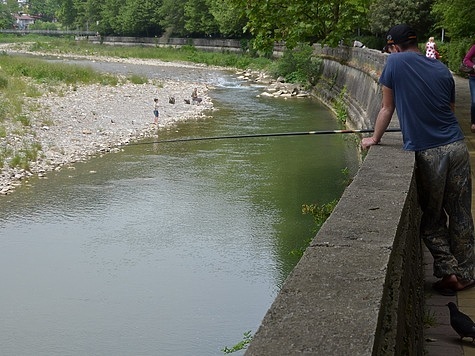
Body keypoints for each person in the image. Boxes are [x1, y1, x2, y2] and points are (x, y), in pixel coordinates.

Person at [361, 24, 475, 296]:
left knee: (433, 217)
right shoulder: (440, 68)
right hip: (457, 147)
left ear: (394, 47)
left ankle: (450, 273)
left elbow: (387, 107)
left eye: (390, 49)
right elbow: (447, 110)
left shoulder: (395, 62)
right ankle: (468, 274)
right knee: (461, 213)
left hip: (429, 151)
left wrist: (374, 139)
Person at [463, 44, 475, 132]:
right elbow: (466, 59)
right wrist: (474, 66)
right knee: (474, 101)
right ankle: (473, 122)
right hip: (474, 78)